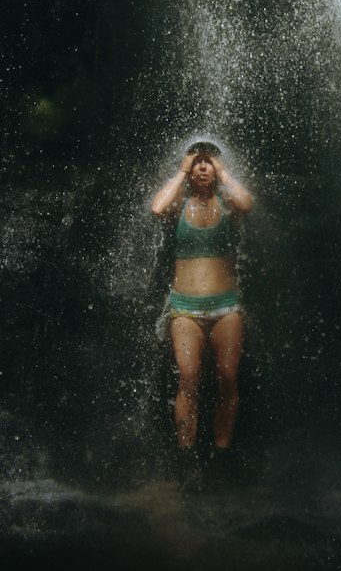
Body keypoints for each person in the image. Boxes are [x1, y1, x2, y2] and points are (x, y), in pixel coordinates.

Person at [151, 141, 253, 462]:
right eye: (198, 162)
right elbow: (156, 207)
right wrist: (180, 172)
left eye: (210, 162)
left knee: (227, 376)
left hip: (227, 307)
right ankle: (186, 457)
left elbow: (247, 202)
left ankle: (222, 454)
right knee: (189, 378)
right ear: (190, 168)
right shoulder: (179, 204)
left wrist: (224, 172)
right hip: (185, 308)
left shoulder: (228, 205)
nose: (204, 167)